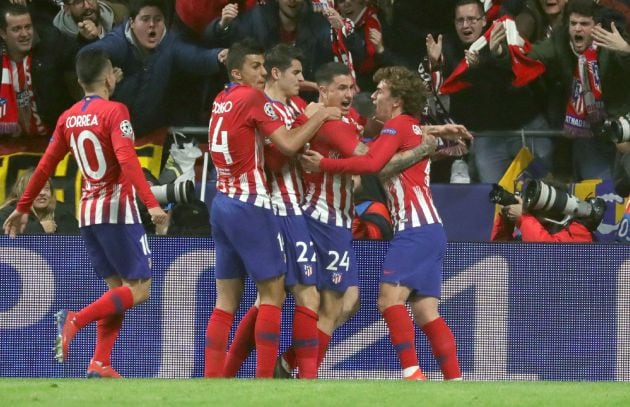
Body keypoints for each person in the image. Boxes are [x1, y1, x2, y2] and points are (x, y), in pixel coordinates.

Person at [2, 48, 168, 378]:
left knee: (117, 291)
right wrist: (151, 203)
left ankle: (100, 362)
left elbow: (45, 165)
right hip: (118, 211)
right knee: (140, 290)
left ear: (79, 82)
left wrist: (22, 207)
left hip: (87, 213)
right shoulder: (115, 111)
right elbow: (127, 159)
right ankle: (74, 319)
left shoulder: (68, 117)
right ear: (109, 77)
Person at [300, 65, 470, 380]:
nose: (374, 95)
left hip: (413, 230)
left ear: (396, 100)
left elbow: (372, 163)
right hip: (432, 229)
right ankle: (455, 380)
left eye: (381, 90)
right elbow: (389, 155)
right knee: (425, 312)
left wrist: (323, 163)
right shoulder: (413, 127)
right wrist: (437, 138)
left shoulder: (396, 127)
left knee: (388, 300)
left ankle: (412, 373)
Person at [203, 39, 339, 379]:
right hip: (251, 203)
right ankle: (264, 382)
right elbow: (289, 145)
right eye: (255, 67)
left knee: (225, 302)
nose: (263, 73)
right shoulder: (252, 98)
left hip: (221, 202)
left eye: (264, 66)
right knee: (272, 294)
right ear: (237, 71)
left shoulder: (221, 99)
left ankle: (211, 380)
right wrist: (320, 113)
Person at [426, 0, 552, 184]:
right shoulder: (448, 48)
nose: (466, 25)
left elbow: (510, 80)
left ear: (484, 20)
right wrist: (436, 66)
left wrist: (497, 53)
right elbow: (444, 93)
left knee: (542, 190)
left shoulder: (502, 36)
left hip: (526, 128)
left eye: (471, 19)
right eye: (460, 20)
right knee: (492, 196)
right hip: (488, 136)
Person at [506, 0, 630, 181]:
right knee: (599, 189)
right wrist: (503, 52)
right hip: (589, 128)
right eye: (574, 24)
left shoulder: (612, 39)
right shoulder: (560, 40)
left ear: (596, 27)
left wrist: (626, 51)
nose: (578, 29)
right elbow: (529, 58)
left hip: (623, 125)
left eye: (584, 24)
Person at [81, 0, 228, 138]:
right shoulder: (118, 41)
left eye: (158, 19)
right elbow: (88, 54)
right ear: (132, 22)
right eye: (145, 19)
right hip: (114, 132)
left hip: (152, 134)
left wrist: (217, 56)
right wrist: (106, 75)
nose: (152, 25)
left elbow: (194, 56)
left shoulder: (170, 43)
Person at [0, 3, 77, 139]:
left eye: (28, 27)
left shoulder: (51, 48)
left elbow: (79, 57)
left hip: (53, 137)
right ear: (3, 33)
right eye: (16, 29)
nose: (24, 34)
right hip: (10, 143)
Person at [491, 194, 600, 242]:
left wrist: (523, 218)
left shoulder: (578, 232)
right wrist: (505, 221)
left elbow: (546, 253)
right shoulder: (530, 229)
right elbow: (500, 252)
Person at [0, 169, 79, 235]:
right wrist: (40, 228)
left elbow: (78, 243)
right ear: (23, 192)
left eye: (46, 189)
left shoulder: (62, 213)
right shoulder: (9, 213)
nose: (42, 193)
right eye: (36, 189)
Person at [53, 0, 128, 45]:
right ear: (67, 8)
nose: (87, 6)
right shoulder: (58, 40)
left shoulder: (120, 13)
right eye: (78, 1)